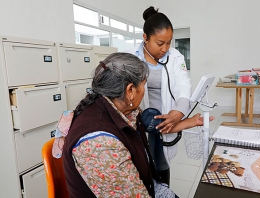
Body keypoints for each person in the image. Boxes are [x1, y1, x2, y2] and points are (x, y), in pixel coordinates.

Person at [60, 52, 207, 198]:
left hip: (149, 186)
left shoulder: (122, 109)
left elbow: (154, 126)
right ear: (130, 90)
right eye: (144, 85)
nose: (144, 90)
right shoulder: (100, 143)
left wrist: (191, 122)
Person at [128, 6, 192, 185]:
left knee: (161, 162)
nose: (165, 48)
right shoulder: (132, 58)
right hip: (139, 119)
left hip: (164, 118)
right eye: (160, 43)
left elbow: (183, 85)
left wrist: (179, 111)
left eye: (169, 42)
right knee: (139, 163)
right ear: (145, 38)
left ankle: (164, 190)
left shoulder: (175, 57)